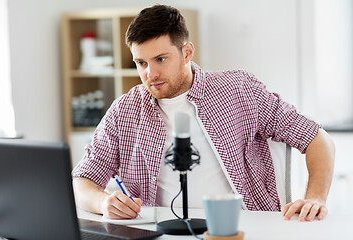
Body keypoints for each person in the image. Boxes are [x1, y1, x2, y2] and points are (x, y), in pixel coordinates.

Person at [72, 5, 335, 222]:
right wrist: (104, 202)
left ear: (186, 53)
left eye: (160, 59)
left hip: (241, 227)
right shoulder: (125, 110)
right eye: (141, 63)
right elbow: (82, 180)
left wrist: (315, 197)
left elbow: (317, 138)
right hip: (159, 230)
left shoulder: (239, 89)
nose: (150, 74)